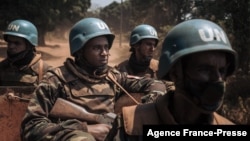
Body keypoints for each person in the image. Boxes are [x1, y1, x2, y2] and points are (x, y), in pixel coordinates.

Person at [20, 17, 166, 141]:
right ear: (80, 50)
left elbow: (155, 84)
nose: (104, 53)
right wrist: (84, 129)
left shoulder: (113, 77)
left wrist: (150, 103)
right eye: (97, 48)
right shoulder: (56, 79)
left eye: (106, 47)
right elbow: (30, 127)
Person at [111, 19, 238, 140]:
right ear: (175, 74)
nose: (217, 79)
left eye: (222, 71)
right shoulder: (131, 125)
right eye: (204, 70)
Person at [0, 19, 52, 141]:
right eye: (10, 42)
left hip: (32, 132)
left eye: (17, 43)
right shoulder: (2, 68)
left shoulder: (45, 71)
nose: (11, 46)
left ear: (29, 45)